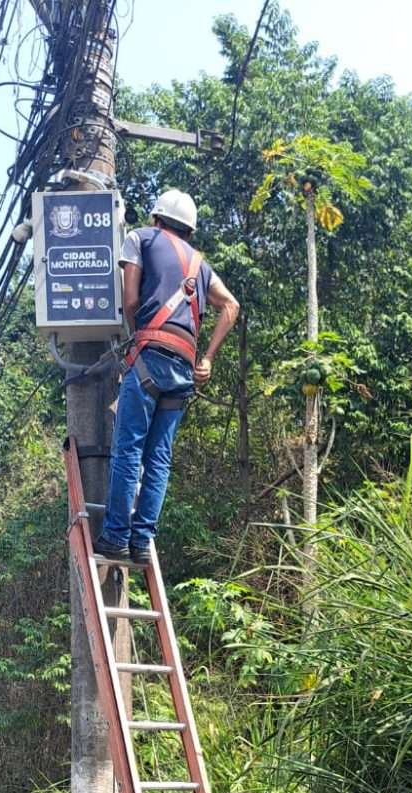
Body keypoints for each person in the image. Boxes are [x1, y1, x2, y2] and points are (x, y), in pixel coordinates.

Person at [97, 188, 240, 565]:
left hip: (149, 355)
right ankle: (142, 542)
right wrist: (207, 357)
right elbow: (231, 305)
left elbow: (130, 301)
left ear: (156, 217)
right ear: (189, 229)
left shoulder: (139, 239)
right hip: (184, 365)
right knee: (158, 458)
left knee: (129, 449)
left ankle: (115, 536)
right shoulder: (200, 264)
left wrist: (136, 338)